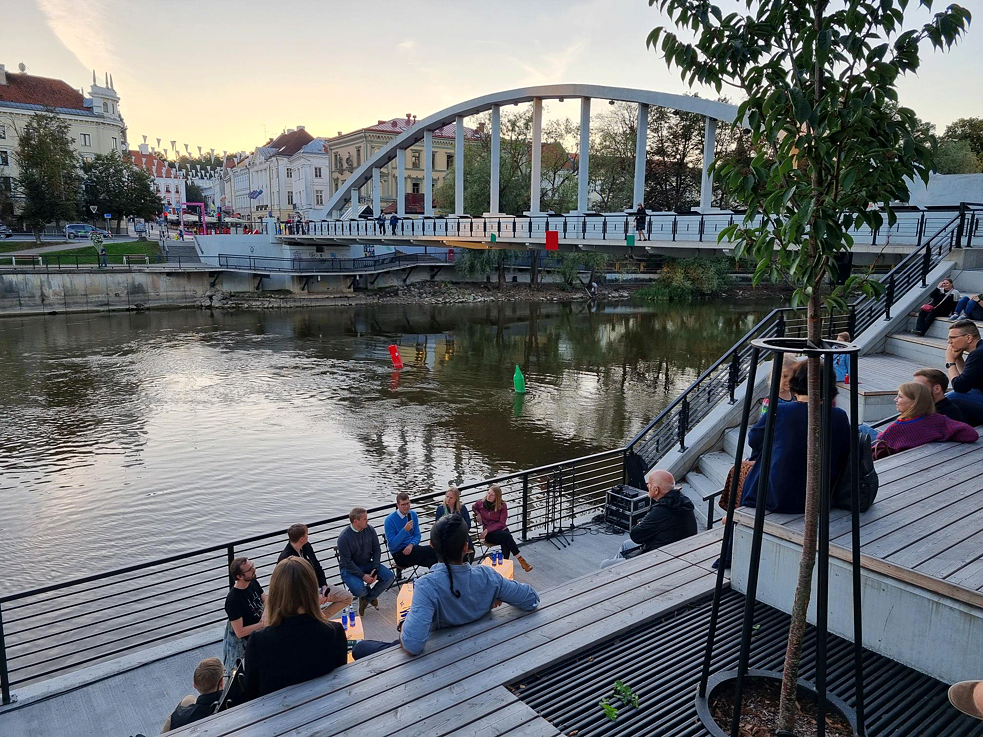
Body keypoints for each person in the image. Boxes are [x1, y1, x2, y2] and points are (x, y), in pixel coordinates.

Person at [242, 557, 393, 700]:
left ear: (275, 593)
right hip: (326, 710)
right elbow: (340, 679)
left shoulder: (259, 641)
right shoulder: (334, 632)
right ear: (311, 590)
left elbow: (250, 694)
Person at [399, 513, 539, 656]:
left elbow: (412, 645)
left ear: (432, 546)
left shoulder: (426, 587)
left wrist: (403, 623)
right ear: (466, 547)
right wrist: (497, 594)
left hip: (447, 664)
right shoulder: (487, 577)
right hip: (489, 655)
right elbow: (531, 598)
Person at [742, 360, 851, 513]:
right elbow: (845, 451)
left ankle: (732, 519)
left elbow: (754, 439)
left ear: (796, 382)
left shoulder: (780, 411)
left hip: (778, 497)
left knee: (741, 471)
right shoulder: (839, 416)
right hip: (823, 496)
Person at [600, 469, 696, 568]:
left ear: (656, 489)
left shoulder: (661, 510)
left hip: (659, 559)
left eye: (649, 483)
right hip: (680, 550)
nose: (647, 485)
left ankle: (617, 575)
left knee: (605, 565)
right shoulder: (681, 501)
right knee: (626, 544)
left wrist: (640, 524)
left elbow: (636, 536)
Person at [871, 382, 977, 460]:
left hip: (897, 463)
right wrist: (940, 436)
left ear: (915, 402)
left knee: (861, 429)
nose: (896, 399)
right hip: (919, 458)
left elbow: (878, 443)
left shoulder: (897, 427)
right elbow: (971, 434)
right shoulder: (938, 420)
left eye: (900, 396)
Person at [277, 524, 352, 618]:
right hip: (302, 597)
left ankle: (321, 618)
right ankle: (317, 619)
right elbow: (291, 588)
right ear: (302, 539)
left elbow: (317, 567)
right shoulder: (286, 559)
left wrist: (324, 586)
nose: (308, 536)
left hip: (318, 587)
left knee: (347, 597)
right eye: (307, 534)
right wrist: (314, 598)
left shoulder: (306, 546)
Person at [337, 507, 396, 616]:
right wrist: (363, 576)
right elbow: (347, 563)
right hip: (349, 569)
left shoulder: (370, 530)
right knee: (359, 590)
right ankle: (368, 596)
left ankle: (367, 599)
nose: (367, 521)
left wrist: (375, 568)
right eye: (364, 519)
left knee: (389, 577)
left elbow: (377, 550)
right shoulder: (344, 538)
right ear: (356, 521)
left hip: (367, 564)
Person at [471, 485, 533, 572]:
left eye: (492, 495)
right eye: (488, 493)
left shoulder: (502, 505)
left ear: (497, 497)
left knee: (505, 538)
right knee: (507, 537)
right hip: (490, 535)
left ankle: (505, 562)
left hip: (498, 530)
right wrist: (478, 514)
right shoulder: (480, 503)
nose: (489, 496)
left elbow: (501, 523)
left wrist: (486, 530)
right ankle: (519, 559)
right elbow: (474, 507)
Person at [223, 558, 266, 669]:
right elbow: (240, 632)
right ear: (239, 576)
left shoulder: (253, 582)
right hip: (249, 642)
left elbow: (266, 600)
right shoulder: (233, 601)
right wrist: (263, 624)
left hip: (263, 629)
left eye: (253, 566)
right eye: (250, 569)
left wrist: (266, 616)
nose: (254, 570)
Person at [161, 657, 224, 732]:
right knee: (190, 699)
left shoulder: (177, 718)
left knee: (188, 699)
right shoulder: (234, 699)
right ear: (222, 682)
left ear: (194, 685)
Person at [384, 492, 438, 570]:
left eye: (408, 503)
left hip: (413, 548)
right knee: (433, 550)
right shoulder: (389, 520)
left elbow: (417, 535)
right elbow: (392, 545)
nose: (406, 507)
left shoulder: (413, 514)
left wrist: (411, 545)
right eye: (403, 504)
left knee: (432, 561)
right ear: (397, 505)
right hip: (399, 553)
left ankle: (437, 578)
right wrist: (404, 530)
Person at [945, 320, 983, 425]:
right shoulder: (979, 350)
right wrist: (958, 359)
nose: (949, 342)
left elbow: (959, 387)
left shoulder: (978, 354)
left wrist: (950, 363)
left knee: (948, 399)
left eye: (953, 337)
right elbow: (969, 382)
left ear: (969, 338)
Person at [435, 486, 474, 560]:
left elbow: (468, 524)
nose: (448, 499)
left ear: (456, 499)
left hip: (460, 535)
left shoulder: (462, 508)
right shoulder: (440, 509)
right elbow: (438, 526)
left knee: (466, 543)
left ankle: (465, 561)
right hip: (447, 536)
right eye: (447, 497)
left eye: (451, 498)